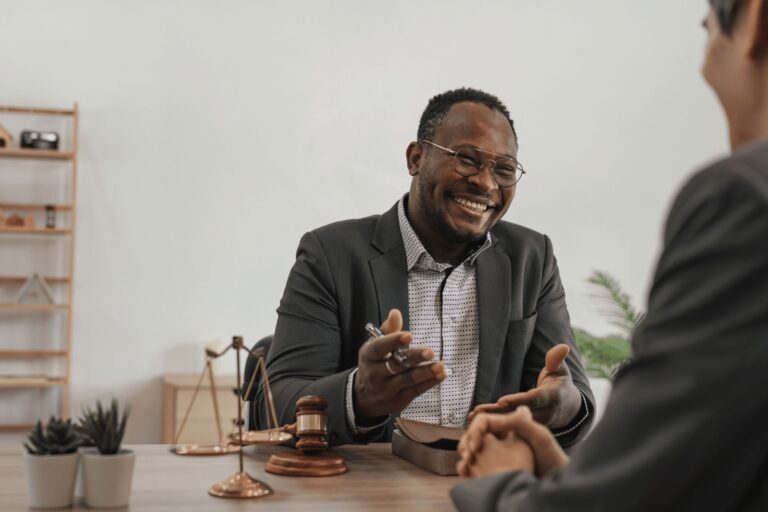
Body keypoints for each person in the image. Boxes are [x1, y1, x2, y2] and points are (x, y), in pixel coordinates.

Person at [452, 1, 768, 510]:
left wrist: (500, 481)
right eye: (467, 159)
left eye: (707, 24)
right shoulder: (331, 249)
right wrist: (567, 471)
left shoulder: (743, 198)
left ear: (751, 19)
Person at [256, 88, 595, 446]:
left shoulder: (532, 257)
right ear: (416, 158)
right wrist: (360, 395)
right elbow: (277, 403)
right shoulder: (331, 254)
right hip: (369, 493)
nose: (485, 183)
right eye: (467, 159)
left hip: (482, 487)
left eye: (505, 169)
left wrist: (563, 407)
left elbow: (569, 397)